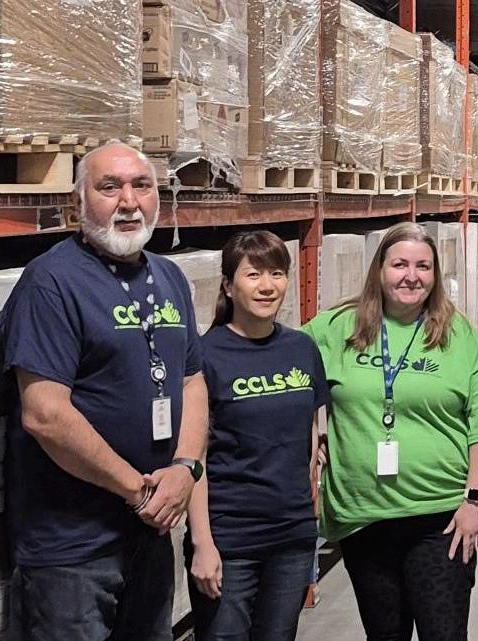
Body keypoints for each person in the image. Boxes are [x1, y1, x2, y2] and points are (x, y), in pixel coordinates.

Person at [0, 141, 208, 640]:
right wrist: (138, 491)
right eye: (109, 187)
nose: (129, 201)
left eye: (142, 186)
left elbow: (192, 380)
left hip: (149, 533)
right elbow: (45, 414)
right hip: (71, 550)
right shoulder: (51, 282)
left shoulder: (169, 277)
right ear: (77, 204)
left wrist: (185, 468)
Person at [302, 222, 478, 641]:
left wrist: (473, 501)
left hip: (440, 520)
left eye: (423, 266)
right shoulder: (336, 328)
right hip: (364, 519)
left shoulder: (456, 334)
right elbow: (284, 369)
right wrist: (310, 432)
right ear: (379, 270)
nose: (411, 276)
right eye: (400, 265)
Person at [185, 232, 326, 641]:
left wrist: (309, 516)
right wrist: (202, 543)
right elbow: (193, 457)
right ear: (229, 286)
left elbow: (309, 437)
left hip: (291, 536)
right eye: (253, 274)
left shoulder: (301, 349)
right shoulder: (205, 355)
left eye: (277, 273)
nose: (267, 286)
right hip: (230, 539)